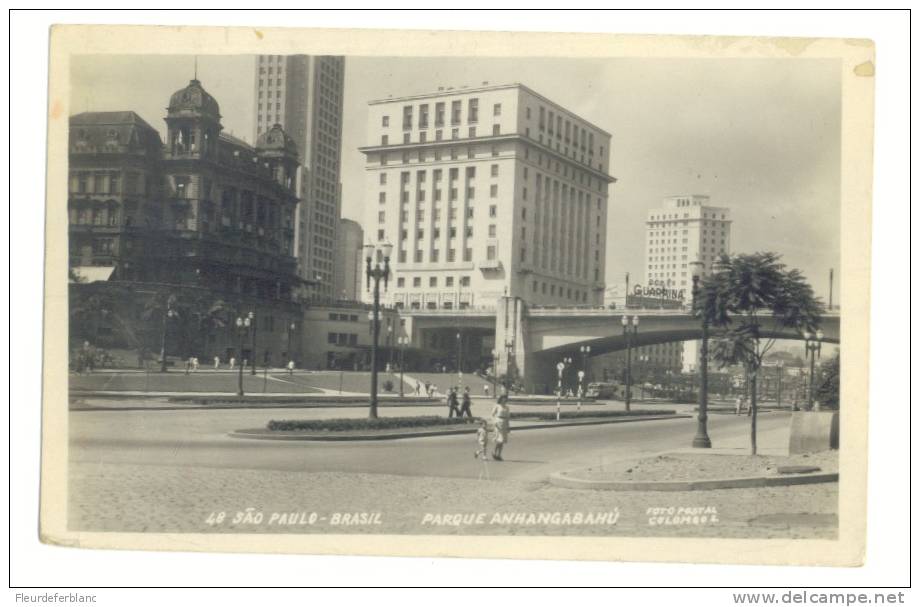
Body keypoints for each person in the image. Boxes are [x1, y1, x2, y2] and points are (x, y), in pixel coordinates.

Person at [490, 394, 511, 461]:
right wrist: (494, 422)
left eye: (505, 399)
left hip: (504, 423)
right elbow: (492, 415)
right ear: (501, 399)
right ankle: (494, 452)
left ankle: (498, 455)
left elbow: (508, 417)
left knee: (502, 441)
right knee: (500, 440)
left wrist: (508, 426)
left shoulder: (507, 407)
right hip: (498, 423)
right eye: (503, 398)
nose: (504, 400)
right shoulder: (497, 406)